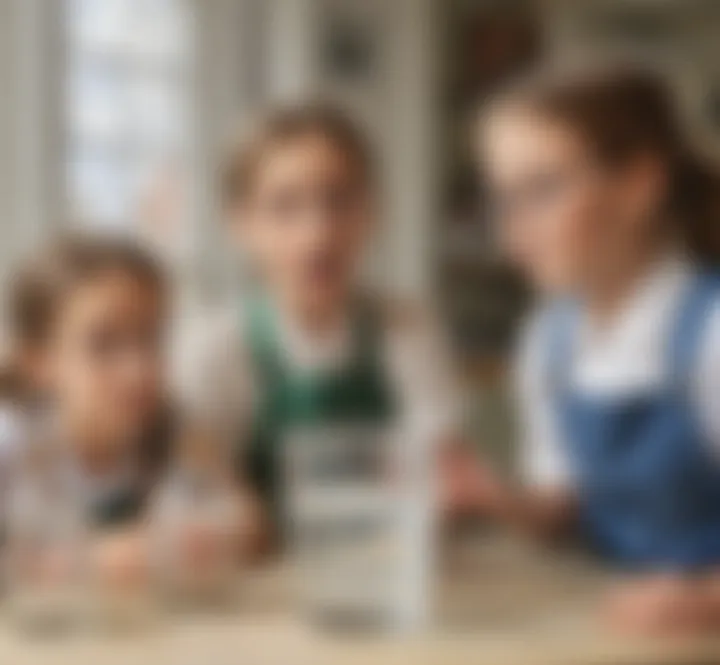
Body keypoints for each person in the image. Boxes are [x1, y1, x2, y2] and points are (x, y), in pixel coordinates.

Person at [472, 60, 720, 635]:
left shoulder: (709, 331)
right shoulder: (549, 341)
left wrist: (707, 599)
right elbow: (567, 509)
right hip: (624, 637)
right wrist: (495, 500)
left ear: (639, 186)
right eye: (503, 197)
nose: (513, 226)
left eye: (542, 190)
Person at [175, 102, 467, 539]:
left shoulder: (407, 328)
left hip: (382, 565)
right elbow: (204, 492)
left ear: (372, 212)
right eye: (285, 206)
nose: (319, 233)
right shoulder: (214, 347)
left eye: (340, 200)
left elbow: (443, 469)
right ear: (241, 224)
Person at [0, 233, 262, 576]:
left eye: (150, 338)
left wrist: (220, 531)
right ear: (40, 363)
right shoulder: (12, 443)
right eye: (104, 344)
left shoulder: (170, 428)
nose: (138, 369)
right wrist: (108, 559)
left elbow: (253, 525)